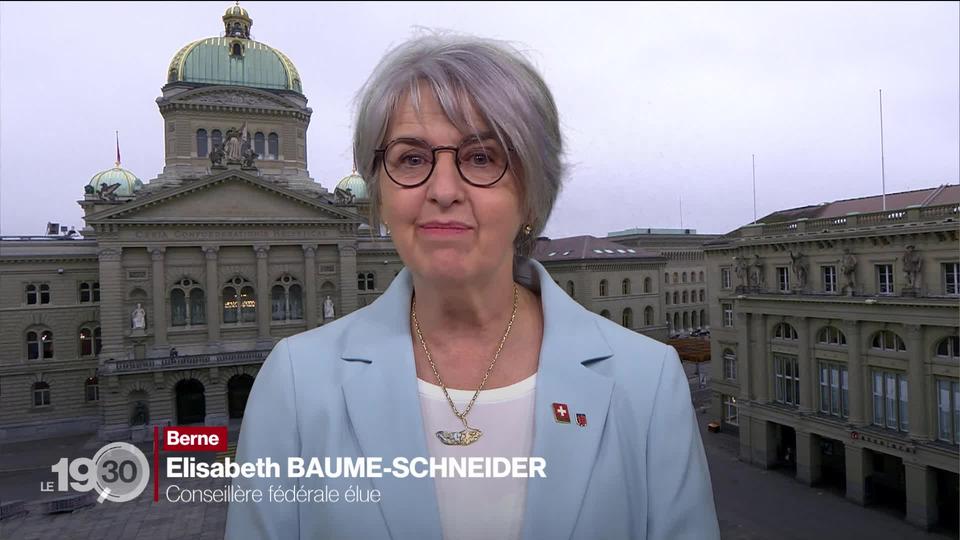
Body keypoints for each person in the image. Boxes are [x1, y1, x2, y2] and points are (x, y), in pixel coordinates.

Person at [226, 32, 719, 540]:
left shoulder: (648, 382)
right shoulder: (294, 383)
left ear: (532, 195)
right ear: (379, 196)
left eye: (482, 157)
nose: (442, 190)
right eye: (411, 159)